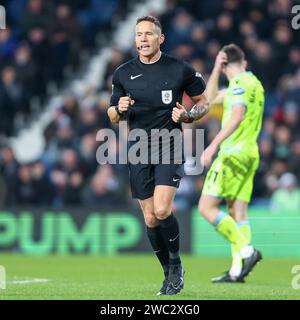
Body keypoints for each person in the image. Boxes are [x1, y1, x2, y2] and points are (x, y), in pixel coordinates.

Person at [107, 15, 208, 295]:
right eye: (138, 34)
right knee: (150, 218)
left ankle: (176, 265)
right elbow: (112, 114)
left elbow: (203, 103)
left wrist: (188, 115)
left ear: (160, 38)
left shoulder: (180, 69)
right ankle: (167, 272)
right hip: (139, 149)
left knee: (163, 210)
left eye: (148, 34)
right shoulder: (123, 73)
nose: (142, 38)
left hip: (169, 144)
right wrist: (119, 109)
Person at [199, 44, 263, 282]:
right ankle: (237, 271)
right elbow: (211, 97)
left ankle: (247, 251)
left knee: (206, 208)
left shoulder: (238, 85)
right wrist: (218, 69)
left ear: (225, 65)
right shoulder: (255, 84)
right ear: (243, 63)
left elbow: (236, 115)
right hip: (251, 154)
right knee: (238, 212)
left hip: (233, 154)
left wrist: (213, 145)